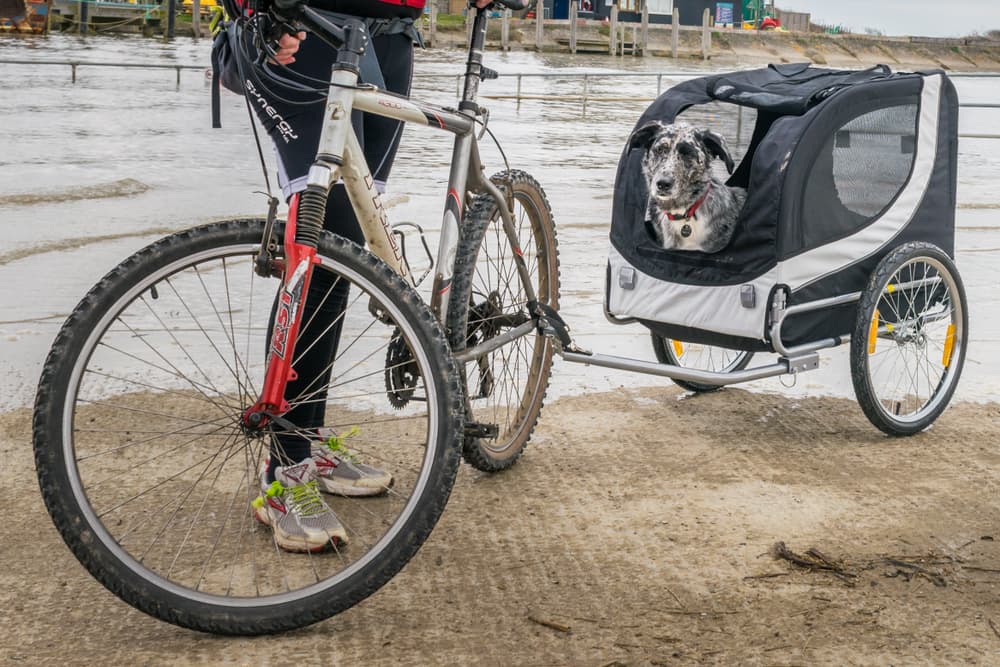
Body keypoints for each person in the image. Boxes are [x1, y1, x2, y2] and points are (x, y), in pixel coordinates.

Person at [226, 0, 491, 553]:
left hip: (390, 38)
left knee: (345, 252)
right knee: (318, 247)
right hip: (308, 26)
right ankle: (285, 469)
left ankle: (306, 438)